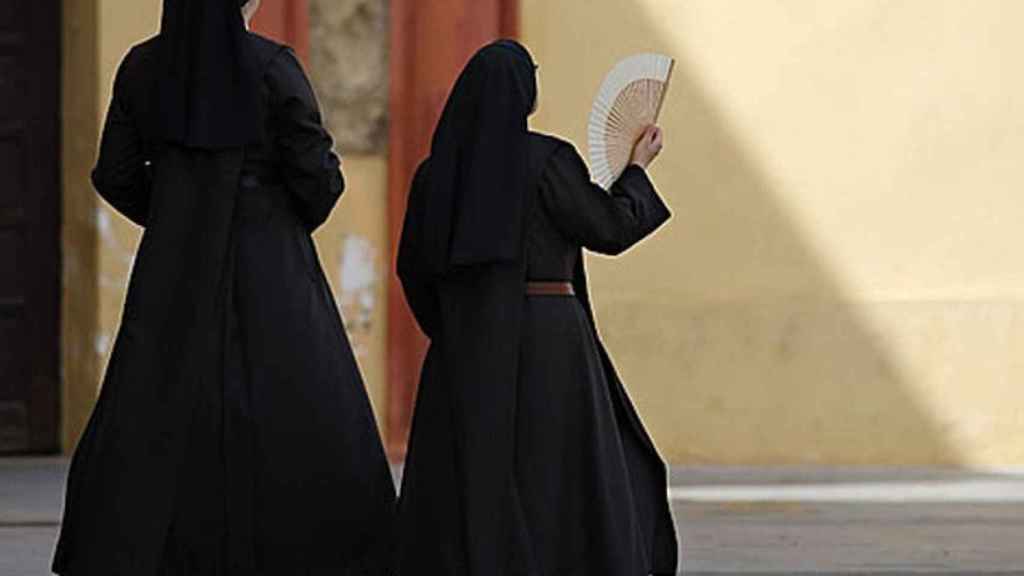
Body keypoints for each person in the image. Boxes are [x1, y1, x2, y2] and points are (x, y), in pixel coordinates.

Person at [52, 1, 395, 574]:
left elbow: (113, 172)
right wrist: (279, 224)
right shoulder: (272, 66)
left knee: (159, 398)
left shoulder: (141, 67)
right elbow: (318, 176)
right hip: (270, 262)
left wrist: (175, 218)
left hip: (174, 263)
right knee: (293, 398)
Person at [396, 40, 678, 576]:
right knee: (555, 475)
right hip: (552, 345)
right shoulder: (548, 160)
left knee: (475, 475)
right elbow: (610, 229)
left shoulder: (435, 175)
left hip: (466, 347)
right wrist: (637, 170)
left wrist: (460, 327)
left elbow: (413, 269)